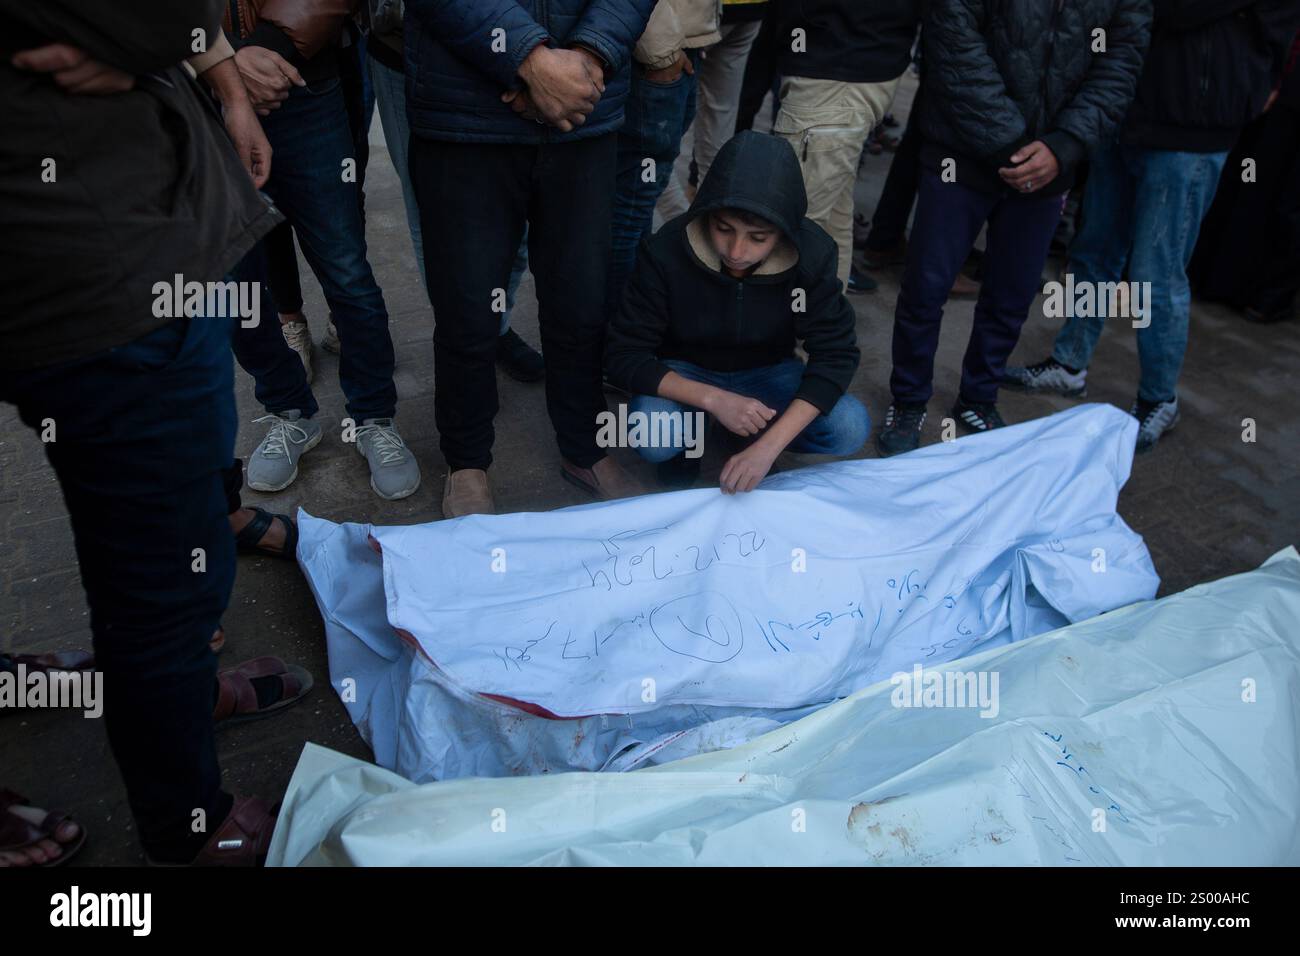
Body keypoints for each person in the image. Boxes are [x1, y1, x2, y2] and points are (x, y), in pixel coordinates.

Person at [2, 0, 311, 865]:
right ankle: (186, 819)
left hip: (135, 230)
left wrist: (210, 72)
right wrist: (160, 41)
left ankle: (163, 693)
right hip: (95, 269)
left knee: (180, 541)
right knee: (158, 588)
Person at [1004, 1, 1300, 452]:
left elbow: (1178, 12)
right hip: (1123, 112)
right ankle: (1069, 365)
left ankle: (1160, 398)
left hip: (1192, 133)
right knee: (1094, 252)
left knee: (1156, 274)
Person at [405, 0, 655, 518]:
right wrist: (529, 60)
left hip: (586, 113)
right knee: (468, 308)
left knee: (581, 302)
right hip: (467, 113)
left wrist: (588, 59)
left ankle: (585, 449)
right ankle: (468, 461)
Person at [875, 0, 1151, 456]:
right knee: (926, 286)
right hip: (961, 150)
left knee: (1011, 293)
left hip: (1052, 163)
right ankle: (908, 400)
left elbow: (1121, 61)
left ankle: (979, 396)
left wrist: (1064, 145)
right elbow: (953, 37)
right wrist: (1012, 144)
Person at [224, 0, 421, 500]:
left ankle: (374, 416)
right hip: (202, 104)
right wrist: (219, 63)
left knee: (345, 267)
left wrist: (268, 49)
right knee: (233, 281)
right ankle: (289, 412)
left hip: (302, 82)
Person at [606, 131, 867, 492]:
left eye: (758, 238)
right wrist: (715, 400)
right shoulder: (667, 250)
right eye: (723, 229)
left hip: (769, 371)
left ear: (784, 231)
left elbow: (836, 354)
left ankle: (754, 433)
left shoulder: (813, 255)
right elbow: (623, 354)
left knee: (849, 426)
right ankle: (690, 442)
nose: (737, 251)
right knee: (654, 436)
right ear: (706, 213)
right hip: (685, 368)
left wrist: (767, 449)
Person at [363, 0, 545, 383]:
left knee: (517, 221)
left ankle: (492, 327)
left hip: (527, 55)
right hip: (410, 52)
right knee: (439, 223)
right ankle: (468, 341)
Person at [767, 0, 923, 294]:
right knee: (830, 217)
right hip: (855, 58)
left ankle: (783, 330)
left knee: (788, 227)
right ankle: (824, 327)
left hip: (838, 65)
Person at [606, 1, 721, 318]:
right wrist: (661, 51)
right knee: (628, 212)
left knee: (636, 208)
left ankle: (630, 327)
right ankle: (619, 334)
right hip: (656, 50)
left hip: (674, 45)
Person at [1189, 28, 1300, 326]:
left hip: (1278, 89)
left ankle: (1256, 289)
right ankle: (1226, 280)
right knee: (1251, 182)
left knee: (1270, 192)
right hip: (1276, 92)